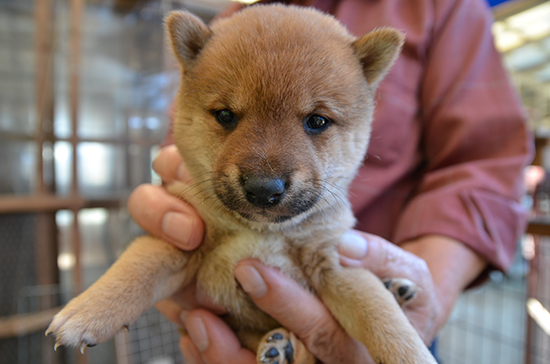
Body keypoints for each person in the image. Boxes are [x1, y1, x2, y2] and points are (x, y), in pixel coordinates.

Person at [127, 0, 533, 362]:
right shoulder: (236, 20)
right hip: (226, 325)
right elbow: (183, 147)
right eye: (229, 117)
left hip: (373, 315)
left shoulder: (440, 8)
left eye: (317, 122)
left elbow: (484, 165)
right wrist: (173, 213)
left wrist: (415, 305)